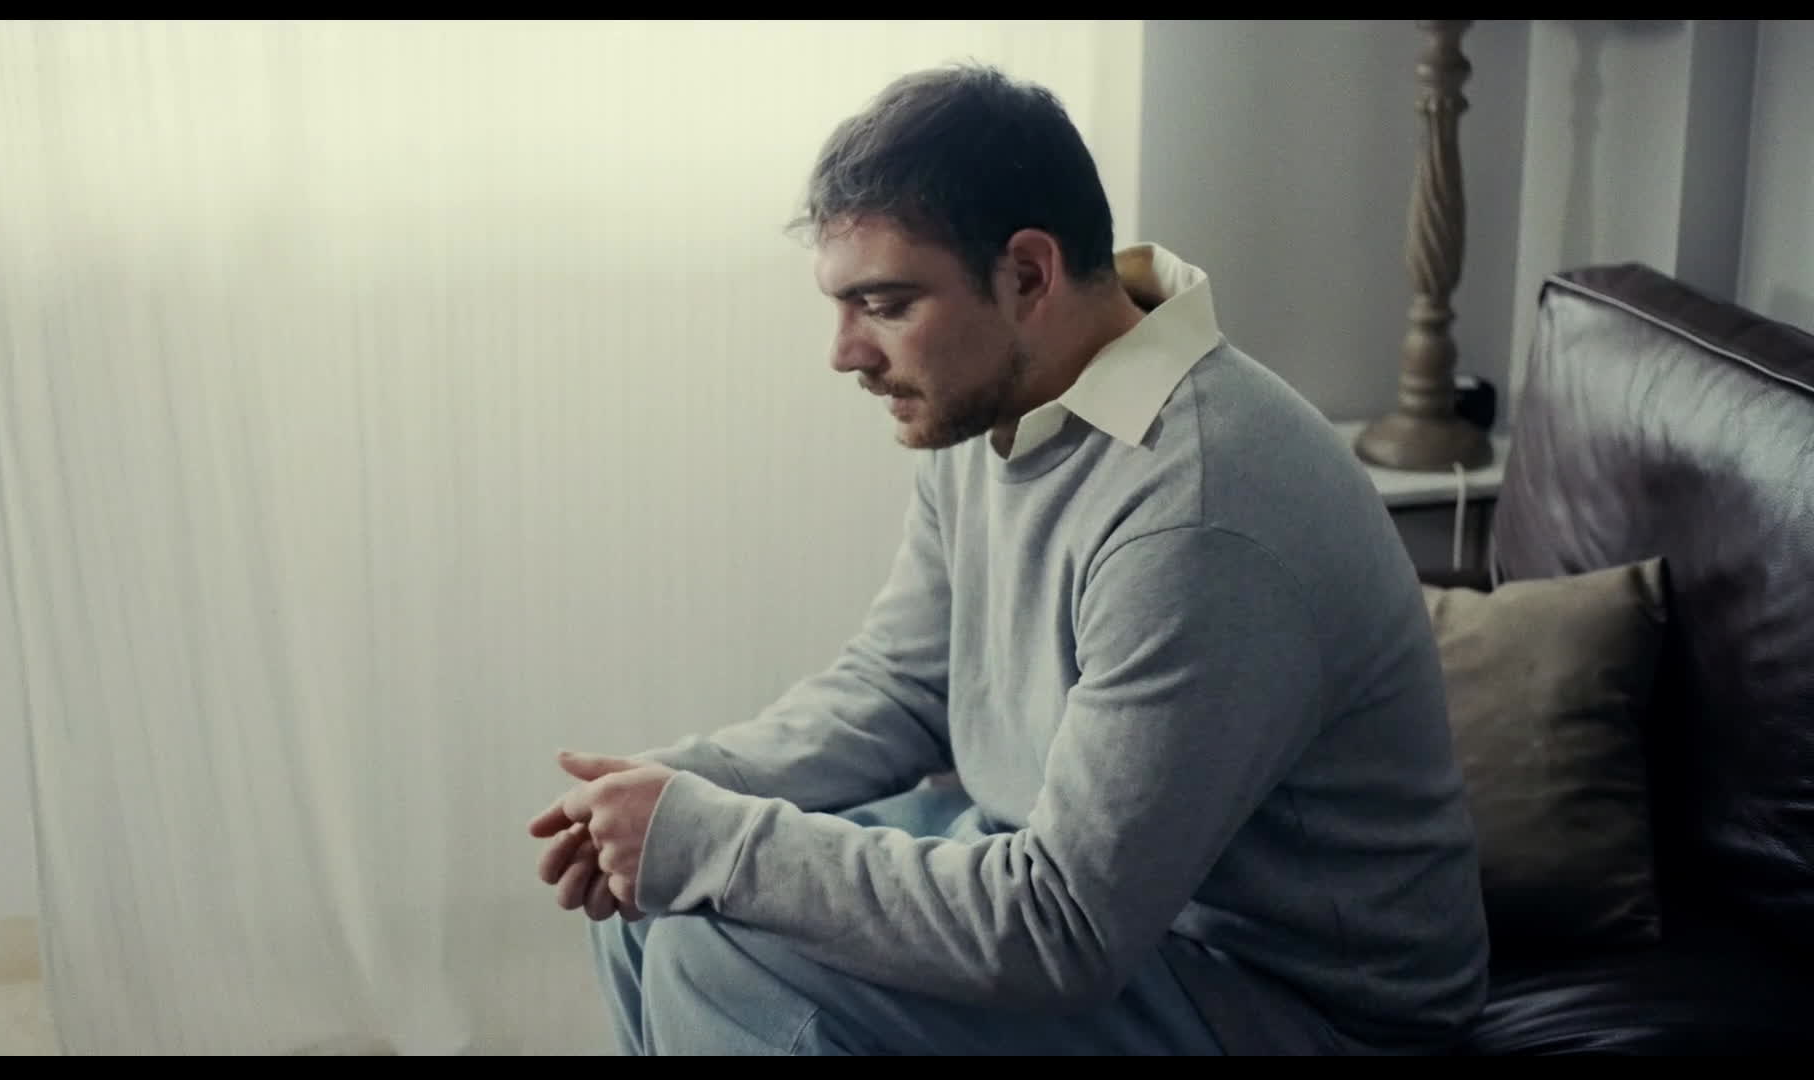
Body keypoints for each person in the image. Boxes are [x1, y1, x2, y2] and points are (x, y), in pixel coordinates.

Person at [527, 62, 1489, 1056]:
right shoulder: (998, 405)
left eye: (884, 304)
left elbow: (1062, 927)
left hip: (1294, 1002)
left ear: (1028, 275)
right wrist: (684, 787)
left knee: (716, 952)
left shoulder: (1198, 514)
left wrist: (716, 841)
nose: (845, 353)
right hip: (1094, 902)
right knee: (651, 899)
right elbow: (901, 687)